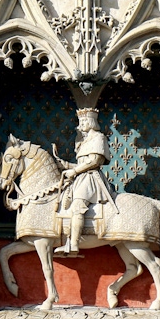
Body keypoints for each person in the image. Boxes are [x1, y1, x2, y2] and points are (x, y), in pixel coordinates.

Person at [54, 107, 114, 255]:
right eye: (80, 121)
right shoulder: (83, 141)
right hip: (80, 178)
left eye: (85, 120)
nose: (82, 124)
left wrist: (74, 171)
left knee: (77, 206)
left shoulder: (99, 138)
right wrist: (66, 165)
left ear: (92, 121)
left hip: (91, 179)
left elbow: (95, 161)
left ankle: (74, 244)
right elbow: (82, 164)